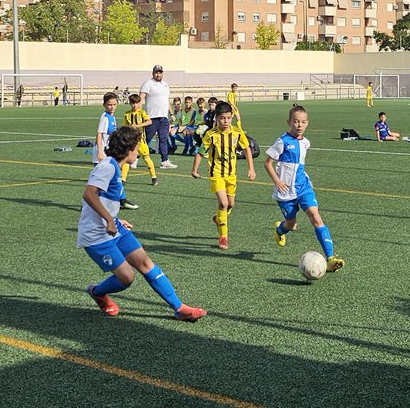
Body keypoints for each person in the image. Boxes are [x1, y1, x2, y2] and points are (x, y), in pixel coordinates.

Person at [78, 126, 206, 322]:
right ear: (128, 149)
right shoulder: (107, 166)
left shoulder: (115, 167)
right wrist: (110, 219)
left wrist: (115, 219)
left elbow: (104, 199)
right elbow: (89, 194)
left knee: (145, 263)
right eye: (137, 147)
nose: (138, 152)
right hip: (96, 235)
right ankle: (97, 292)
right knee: (127, 278)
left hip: (113, 228)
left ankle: (179, 308)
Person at [264, 104, 345, 273]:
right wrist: (277, 181)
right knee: (292, 225)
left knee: (316, 217)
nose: (299, 125)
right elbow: (267, 163)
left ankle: (330, 258)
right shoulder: (283, 141)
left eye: (303, 122)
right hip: (286, 191)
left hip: (303, 187)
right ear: (289, 122)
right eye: (296, 121)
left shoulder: (306, 143)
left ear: (307, 123)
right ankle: (280, 229)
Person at [191, 101, 255, 250]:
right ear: (216, 119)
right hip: (216, 174)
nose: (225, 121)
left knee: (231, 204)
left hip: (231, 175)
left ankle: (218, 218)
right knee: (224, 203)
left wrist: (251, 168)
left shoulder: (237, 133)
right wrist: (194, 169)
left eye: (228, 118)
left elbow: (247, 149)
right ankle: (223, 238)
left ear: (231, 117)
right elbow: (201, 152)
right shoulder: (211, 135)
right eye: (222, 118)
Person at [96, 92, 139, 210]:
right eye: (109, 104)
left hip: (109, 152)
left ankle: (122, 200)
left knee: (116, 176)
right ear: (104, 105)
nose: (112, 107)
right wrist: (100, 151)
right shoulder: (105, 118)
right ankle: (93, 202)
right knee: (103, 179)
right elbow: (99, 134)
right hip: (102, 153)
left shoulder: (112, 117)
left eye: (114, 104)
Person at [139, 65, 176, 169]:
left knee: (163, 139)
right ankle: (134, 157)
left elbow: (166, 100)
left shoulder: (165, 85)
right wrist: (140, 113)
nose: (158, 74)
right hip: (151, 118)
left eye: (160, 72)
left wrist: (171, 113)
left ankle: (165, 161)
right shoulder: (148, 84)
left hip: (163, 118)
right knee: (145, 139)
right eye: (156, 72)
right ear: (153, 73)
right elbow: (141, 98)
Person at [122, 94, 159, 187]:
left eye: (136, 103)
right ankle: (123, 179)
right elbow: (125, 126)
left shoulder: (142, 113)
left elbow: (149, 121)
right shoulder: (127, 114)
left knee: (146, 158)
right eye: (133, 103)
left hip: (141, 141)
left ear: (139, 103)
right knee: (127, 159)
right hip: (131, 141)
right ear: (130, 103)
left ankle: (154, 177)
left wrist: (138, 126)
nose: (135, 105)